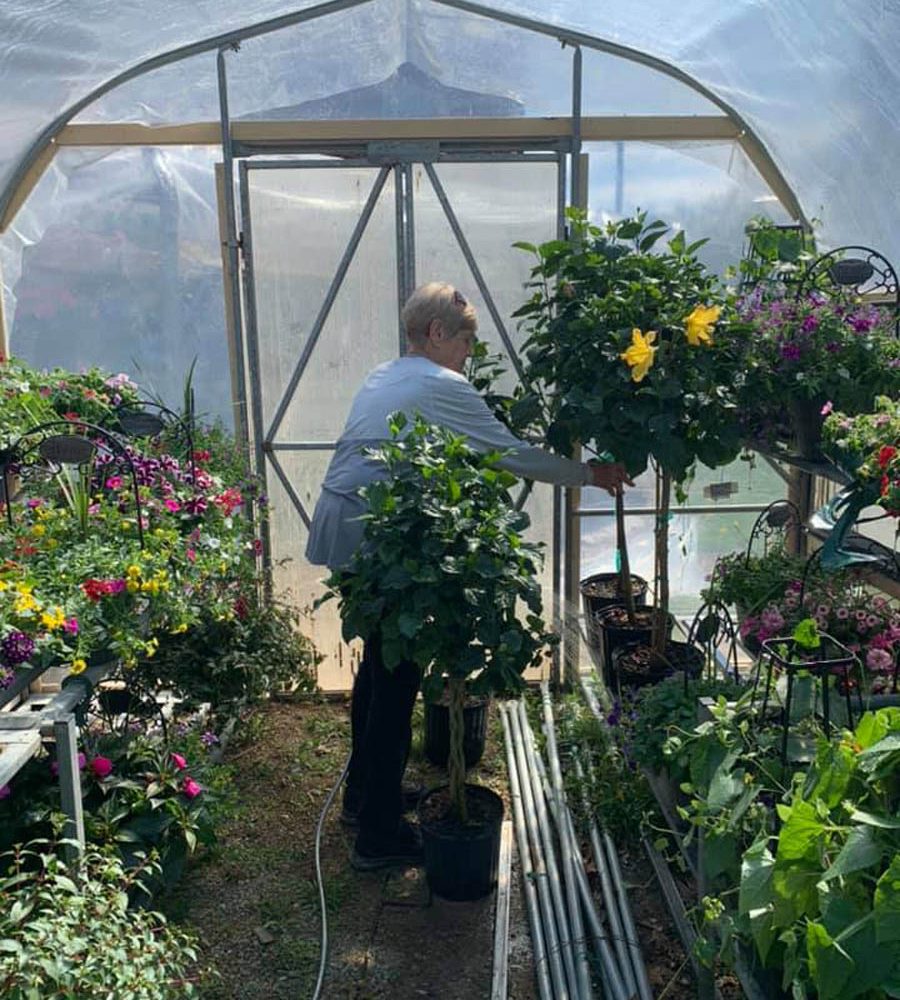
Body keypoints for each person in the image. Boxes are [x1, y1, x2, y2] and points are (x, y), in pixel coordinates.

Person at [306, 282, 632, 870]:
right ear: (436, 334)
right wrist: (589, 473)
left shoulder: (386, 375)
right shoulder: (440, 383)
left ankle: (364, 798)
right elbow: (510, 453)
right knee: (396, 678)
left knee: (379, 674)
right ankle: (377, 836)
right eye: (465, 341)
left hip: (347, 527)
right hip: (374, 538)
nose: (467, 355)